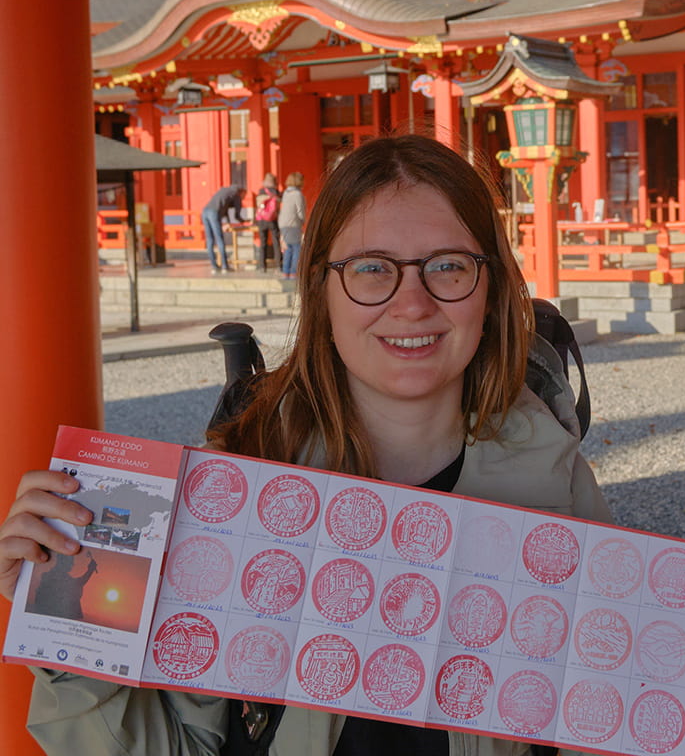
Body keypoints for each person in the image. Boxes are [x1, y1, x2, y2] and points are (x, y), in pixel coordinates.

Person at [0, 134, 611, 756]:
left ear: (492, 287)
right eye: (372, 268)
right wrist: (66, 618)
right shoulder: (226, 494)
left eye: (449, 265)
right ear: (320, 288)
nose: (411, 303)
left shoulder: (558, 492)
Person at [201, 184, 246, 274]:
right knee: (219, 239)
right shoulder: (236, 195)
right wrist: (245, 221)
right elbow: (237, 215)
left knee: (210, 240)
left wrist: (228, 222)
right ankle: (225, 266)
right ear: (241, 192)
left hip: (204, 212)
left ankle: (214, 266)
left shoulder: (224, 191)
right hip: (214, 213)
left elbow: (225, 210)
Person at [277, 171, 305, 279]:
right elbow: (300, 210)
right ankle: (293, 272)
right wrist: (303, 221)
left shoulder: (286, 193)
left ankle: (285, 271)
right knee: (296, 248)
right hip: (293, 224)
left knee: (287, 249)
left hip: (283, 224)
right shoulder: (297, 194)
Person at [254, 173, 282, 272]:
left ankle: (262, 266)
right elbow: (278, 206)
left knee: (263, 243)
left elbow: (258, 205)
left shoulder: (261, 191)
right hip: (272, 220)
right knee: (276, 242)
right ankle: (278, 265)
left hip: (261, 220)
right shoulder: (276, 192)